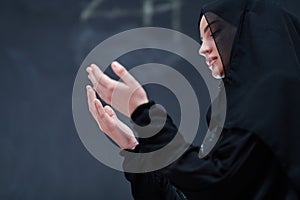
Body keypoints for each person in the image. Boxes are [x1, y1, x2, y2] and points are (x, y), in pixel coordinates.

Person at [86, 0, 300, 199]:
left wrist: (144, 113)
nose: (202, 48)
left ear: (251, 32)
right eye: (201, 39)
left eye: (214, 33)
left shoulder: (275, 89)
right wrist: (134, 148)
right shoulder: (229, 107)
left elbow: (216, 181)